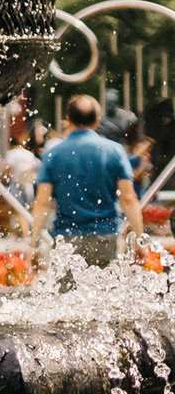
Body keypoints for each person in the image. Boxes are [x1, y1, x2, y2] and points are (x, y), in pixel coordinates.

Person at [32, 93, 143, 266]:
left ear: (68, 119)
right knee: (104, 291)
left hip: (66, 239)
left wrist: (34, 243)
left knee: (65, 293)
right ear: (97, 121)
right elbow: (128, 198)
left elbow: (42, 200)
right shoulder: (115, 151)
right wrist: (139, 239)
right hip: (105, 237)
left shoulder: (53, 154)